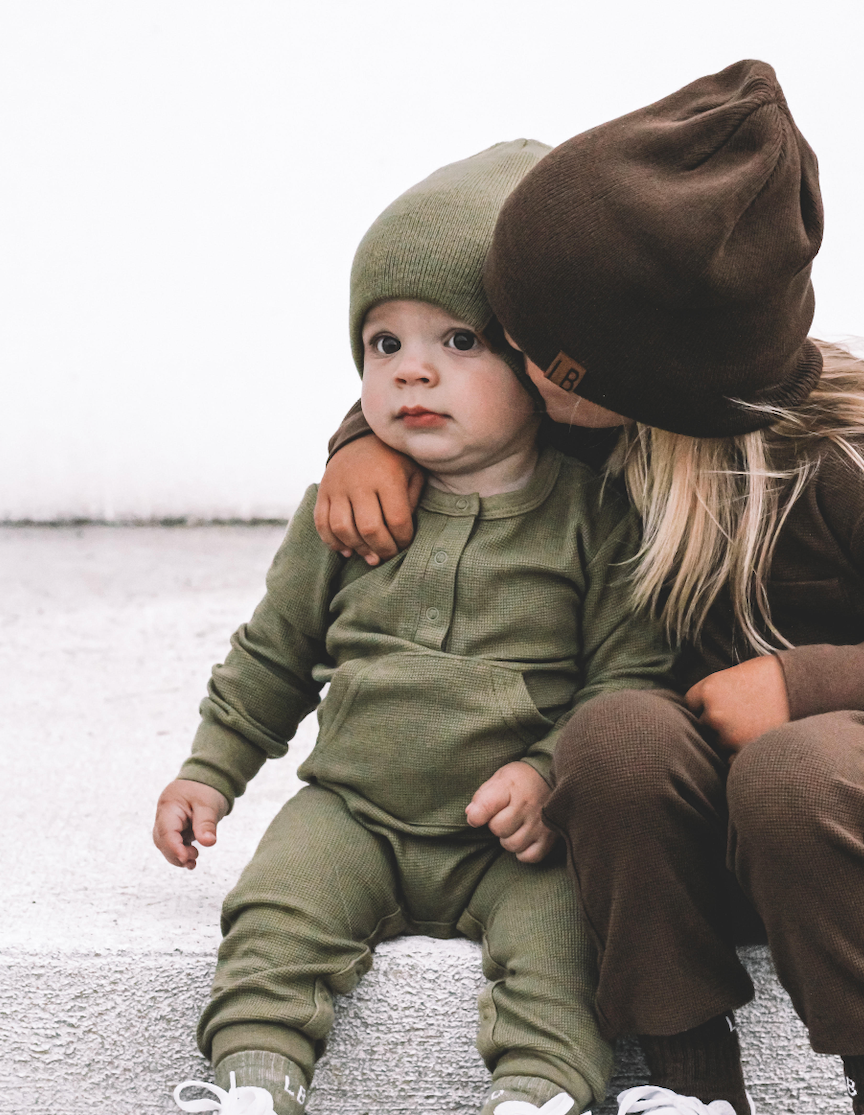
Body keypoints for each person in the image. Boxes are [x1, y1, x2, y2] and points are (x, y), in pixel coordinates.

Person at [314, 61, 864, 1115]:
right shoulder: (606, 422)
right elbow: (457, 389)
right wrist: (358, 442)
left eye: (534, 349)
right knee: (611, 733)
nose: (512, 360)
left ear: (640, 374)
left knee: (798, 765)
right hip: (706, 825)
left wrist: (808, 683)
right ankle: (690, 1083)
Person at [154, 140, 674, 1115]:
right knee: (274, 906)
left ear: (535, 362)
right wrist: (210, 767)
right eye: (384, 344)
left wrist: (548, 770)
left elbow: (627, 678)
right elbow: (275, 650)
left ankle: (542, 1087)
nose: (412, 374)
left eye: (458, 342)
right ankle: (252, 1080)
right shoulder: (347, 509)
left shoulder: (592, 515)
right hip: (357, 807)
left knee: (565, 938)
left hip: (515, 833)